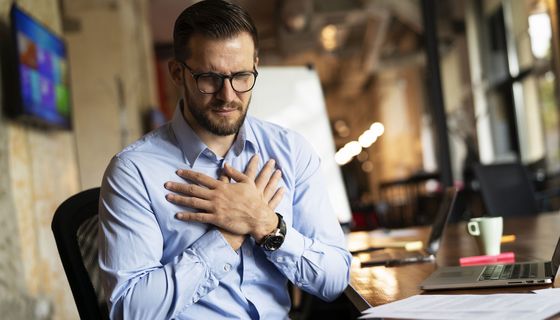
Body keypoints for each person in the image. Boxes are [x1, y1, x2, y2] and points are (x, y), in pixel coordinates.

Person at [98, 1, 351, 319]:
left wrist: (265, 224)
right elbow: (128, 311)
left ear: (256, 65)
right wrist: (226, 236)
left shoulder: (290, 151)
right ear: (178, 73)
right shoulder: (133, 171)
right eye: (210, 78)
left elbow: (334, 279)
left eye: (242, 76)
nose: (228, 95)